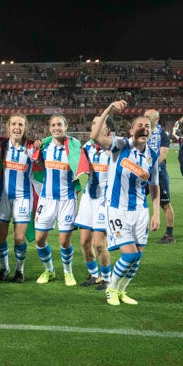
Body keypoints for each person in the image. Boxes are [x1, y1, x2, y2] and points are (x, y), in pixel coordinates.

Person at [90, 100, 161, 306]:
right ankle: (111, 288)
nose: (144, 129)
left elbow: (155, 187)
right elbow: (95, 136)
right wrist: (108, 110)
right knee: (129, 256)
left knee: (137, 257)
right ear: (131, 130)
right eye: (140, 125)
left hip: (140, 211)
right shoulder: (120, 145)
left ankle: (121, 291)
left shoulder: (152, 156)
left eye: (147, 126)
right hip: (118, 210)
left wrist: (156, 213)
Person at [32, 114, 83, 286]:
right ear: (50, 127)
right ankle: (49, 270)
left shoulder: (74, 146)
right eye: (53, 125)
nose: (56, 128)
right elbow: (36, 162)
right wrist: (36, 147)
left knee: (64, 241)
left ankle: (68, 272)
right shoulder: (45, 145)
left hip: (67, 199)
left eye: (59, 124)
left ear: (66, 126)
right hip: (46, 199)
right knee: (39, 239)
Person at [0, 114, 39, 283]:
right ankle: (4, 268)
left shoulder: (33, 146)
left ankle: (20, 270)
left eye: (20, 124)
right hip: (2, 196)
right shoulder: (1, 146)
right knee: (0, 238)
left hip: (23, 197)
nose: (17, 127)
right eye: (14, 124)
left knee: (19, 238)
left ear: (25, 127)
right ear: (8, 127)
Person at [74, 115, 113, 291]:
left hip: (104, 200)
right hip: (88, 198)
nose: (93, 127)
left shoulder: (114, 149)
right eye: (93, 124)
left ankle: (106, 278)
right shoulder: (86, 147)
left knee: (99, 243)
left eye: (98, 124)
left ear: (107, 130)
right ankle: (93, 274)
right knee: (84, 242)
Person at [145, 108, 176, 244]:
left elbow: (162, 156)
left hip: (158, 172)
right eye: (144, 115)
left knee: (165, 203)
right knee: (135, 199)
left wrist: (148, 167)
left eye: (148, 116)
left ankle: (169, 235)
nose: (145, 118)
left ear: (156, 119)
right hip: (141, 172)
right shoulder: (142, 132)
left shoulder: (163, 135)